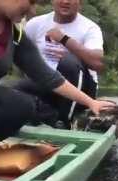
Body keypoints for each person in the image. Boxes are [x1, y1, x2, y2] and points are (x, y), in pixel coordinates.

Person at [0, 0, 114, 179]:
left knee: (22, 104)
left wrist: (91, 102)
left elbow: (48, 76)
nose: (32, 11)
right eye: (31, 2)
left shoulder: (15, 36)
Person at [13, 0, 104, 129]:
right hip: (48, 83)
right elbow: (23, 58)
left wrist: (64, 39)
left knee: (67, 62)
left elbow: (98, 63)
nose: (65, 1)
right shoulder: (35, 24)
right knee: (14, 89)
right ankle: (49, 118)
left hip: (81, 91)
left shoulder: (90, 28)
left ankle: (65, 121)